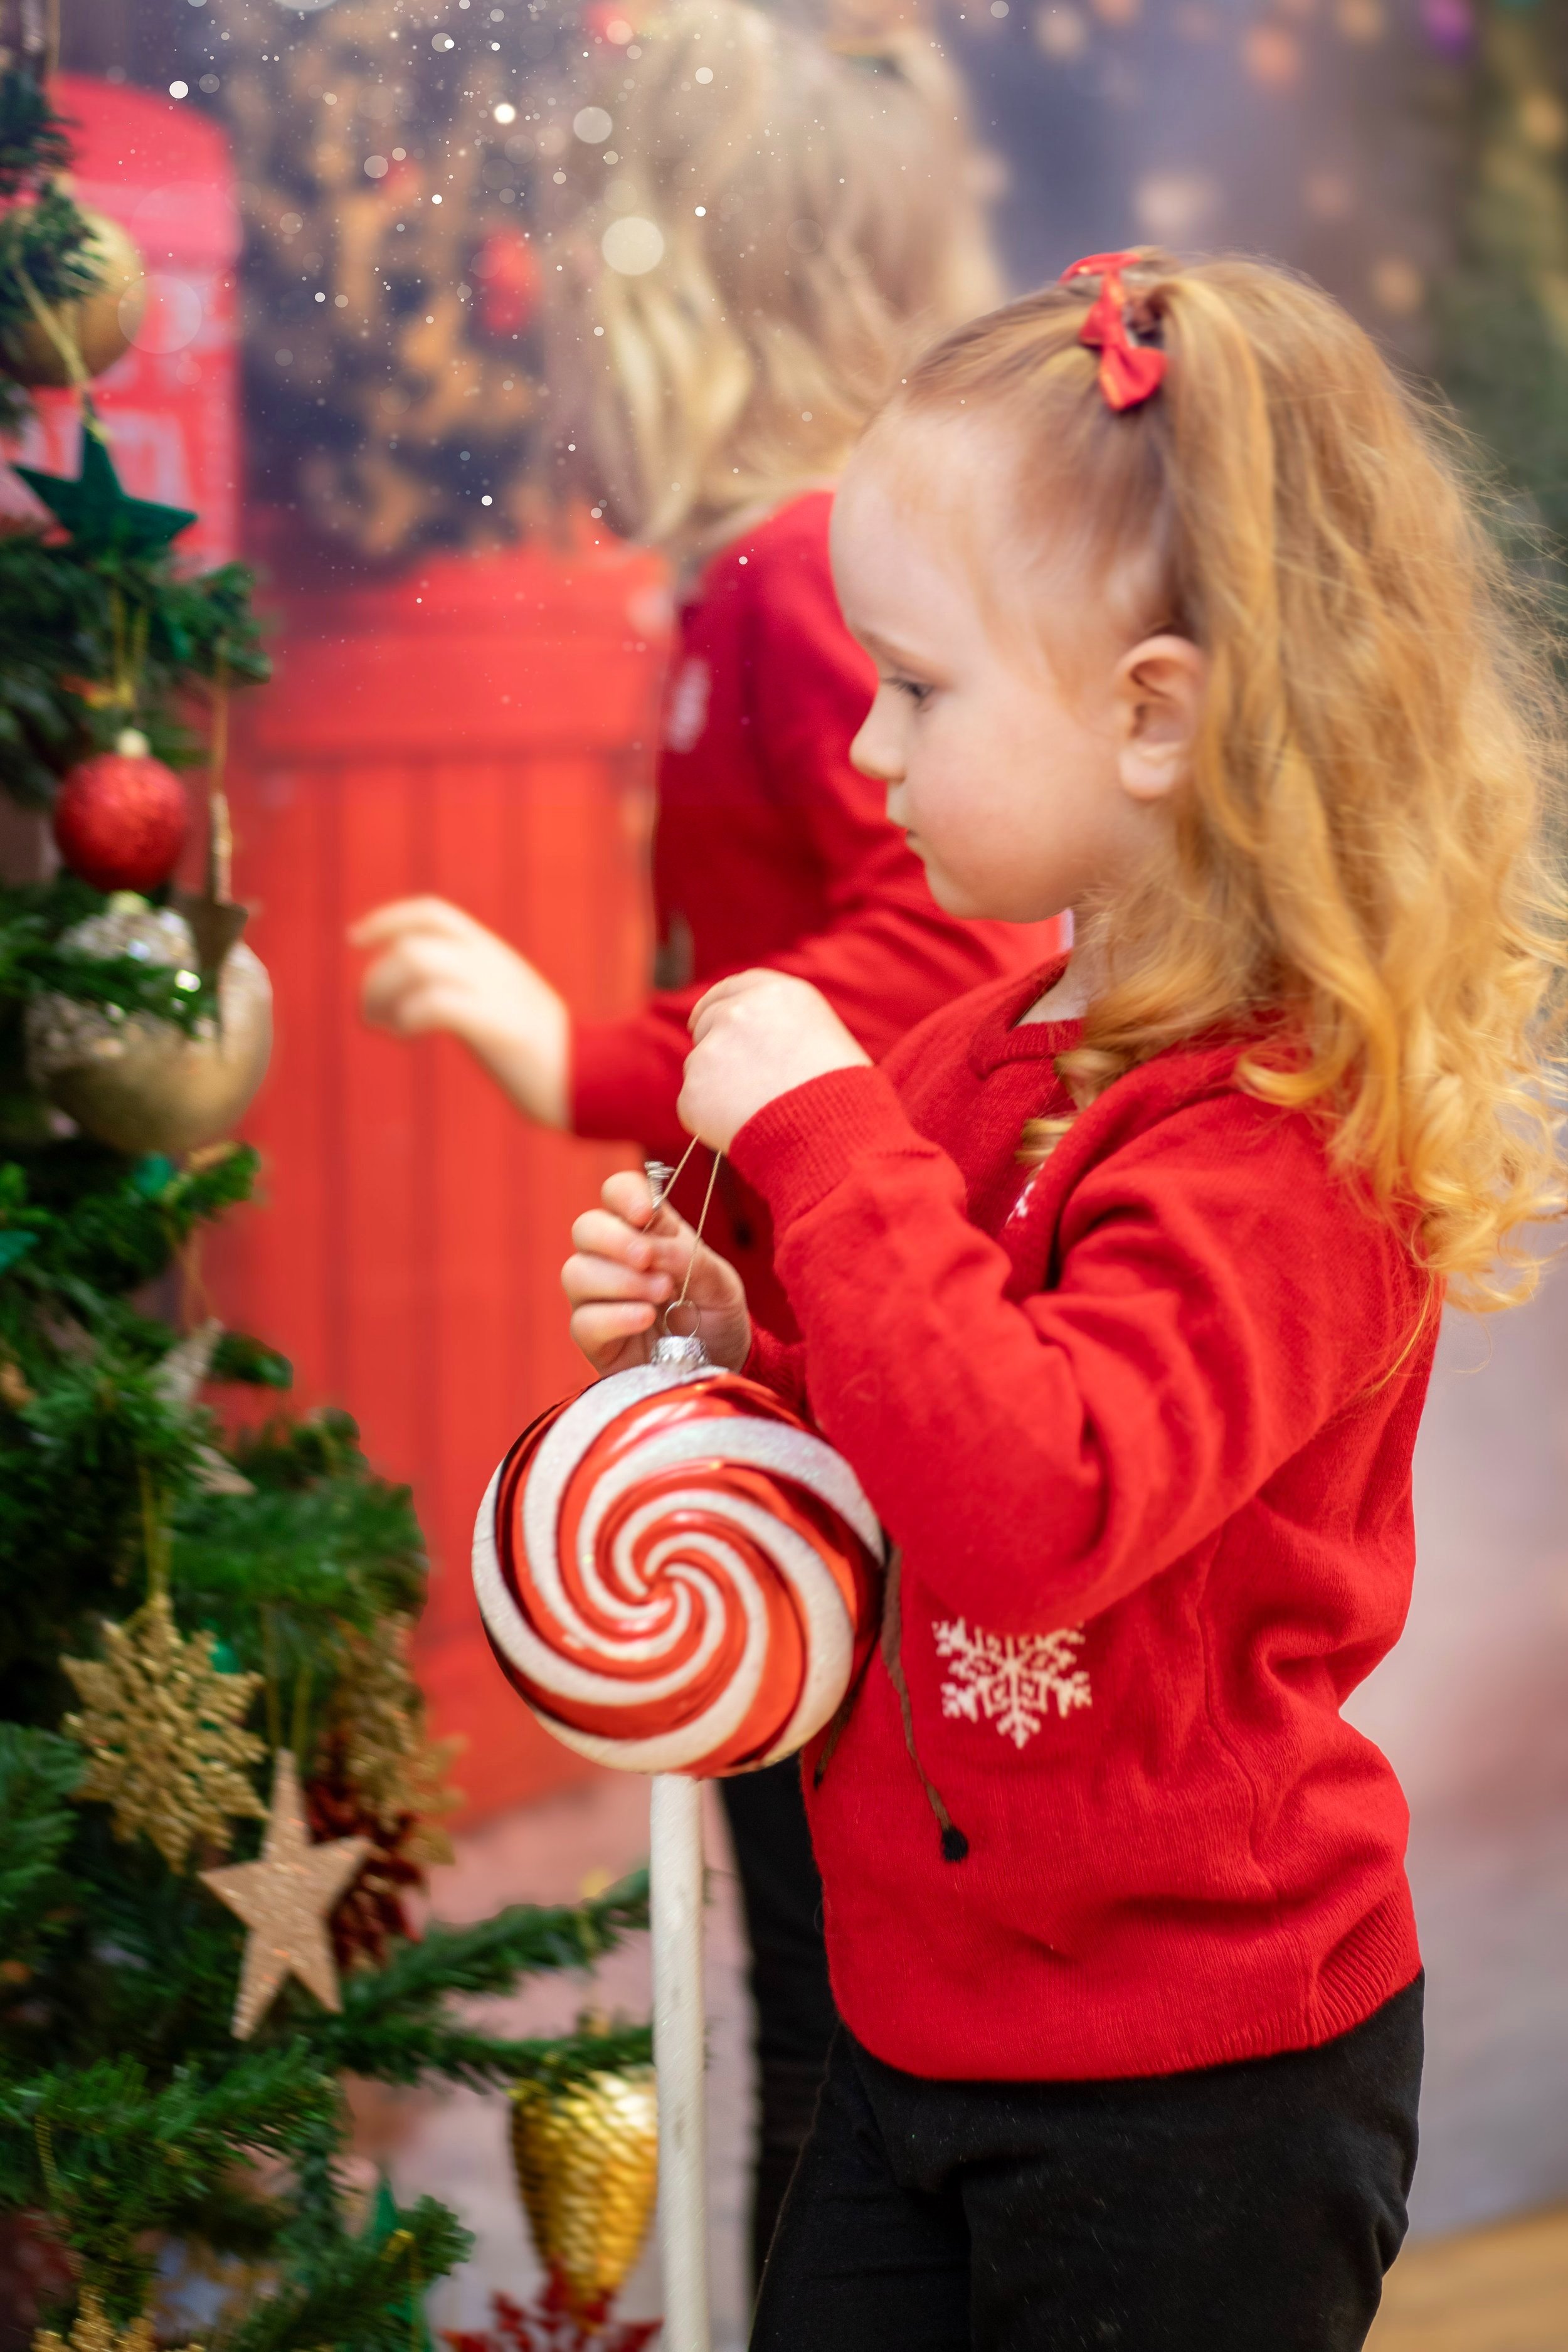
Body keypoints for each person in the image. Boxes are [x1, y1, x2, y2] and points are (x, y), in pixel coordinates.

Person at [559, 250, 1566, 2348]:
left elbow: (1038, 1503)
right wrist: (752, 1356)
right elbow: (914, 1428)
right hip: (914, 2022)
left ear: (1152, 715)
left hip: (1195, 2092)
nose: (865, 741)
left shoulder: (1287, 1142)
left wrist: (820, 1145)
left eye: (918, 689)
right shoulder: (977, 1056)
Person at [351, 0, 1053, 2283]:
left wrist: (584, 1055)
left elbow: (933, 926)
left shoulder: (801, 577)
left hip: (843, 1357)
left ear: (680, 289)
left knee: (822, 1959)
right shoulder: (751, 578)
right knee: (792, 1942)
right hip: (781, 1338)